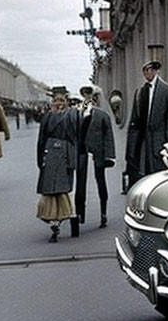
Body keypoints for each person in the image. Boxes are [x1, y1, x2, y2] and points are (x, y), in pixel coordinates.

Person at [36, 91, 81, 242]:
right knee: (52, 190)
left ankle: (60, 219)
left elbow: (76, 136)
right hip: (53, 155)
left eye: (62, 100)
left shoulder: (70, 115)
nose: (59, 103)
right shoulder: (51, 116)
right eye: (56, 101)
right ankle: (55, 220)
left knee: (62, 189)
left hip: (62, 154)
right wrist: (40, 159)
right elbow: (41, 138)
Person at [126, 60, 168, 188]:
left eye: (150, 70)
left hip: (158, 138)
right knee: (141, 170)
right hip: (142, 138)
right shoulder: (140, 92)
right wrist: (131, 146)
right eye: (145, 70)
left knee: (158, 170)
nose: (148, 73)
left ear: (156, 71)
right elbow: (135, 119)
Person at [75, 85, 116, 229]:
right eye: (85, 94)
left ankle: (103, 213)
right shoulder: (77, 113)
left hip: (98, 153)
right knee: (80, 185)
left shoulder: (102, 115)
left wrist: (110, 156)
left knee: (101, 183)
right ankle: (80, 213)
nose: (87, 97)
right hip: (81, 152)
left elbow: (108, 136)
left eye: (89, 94)